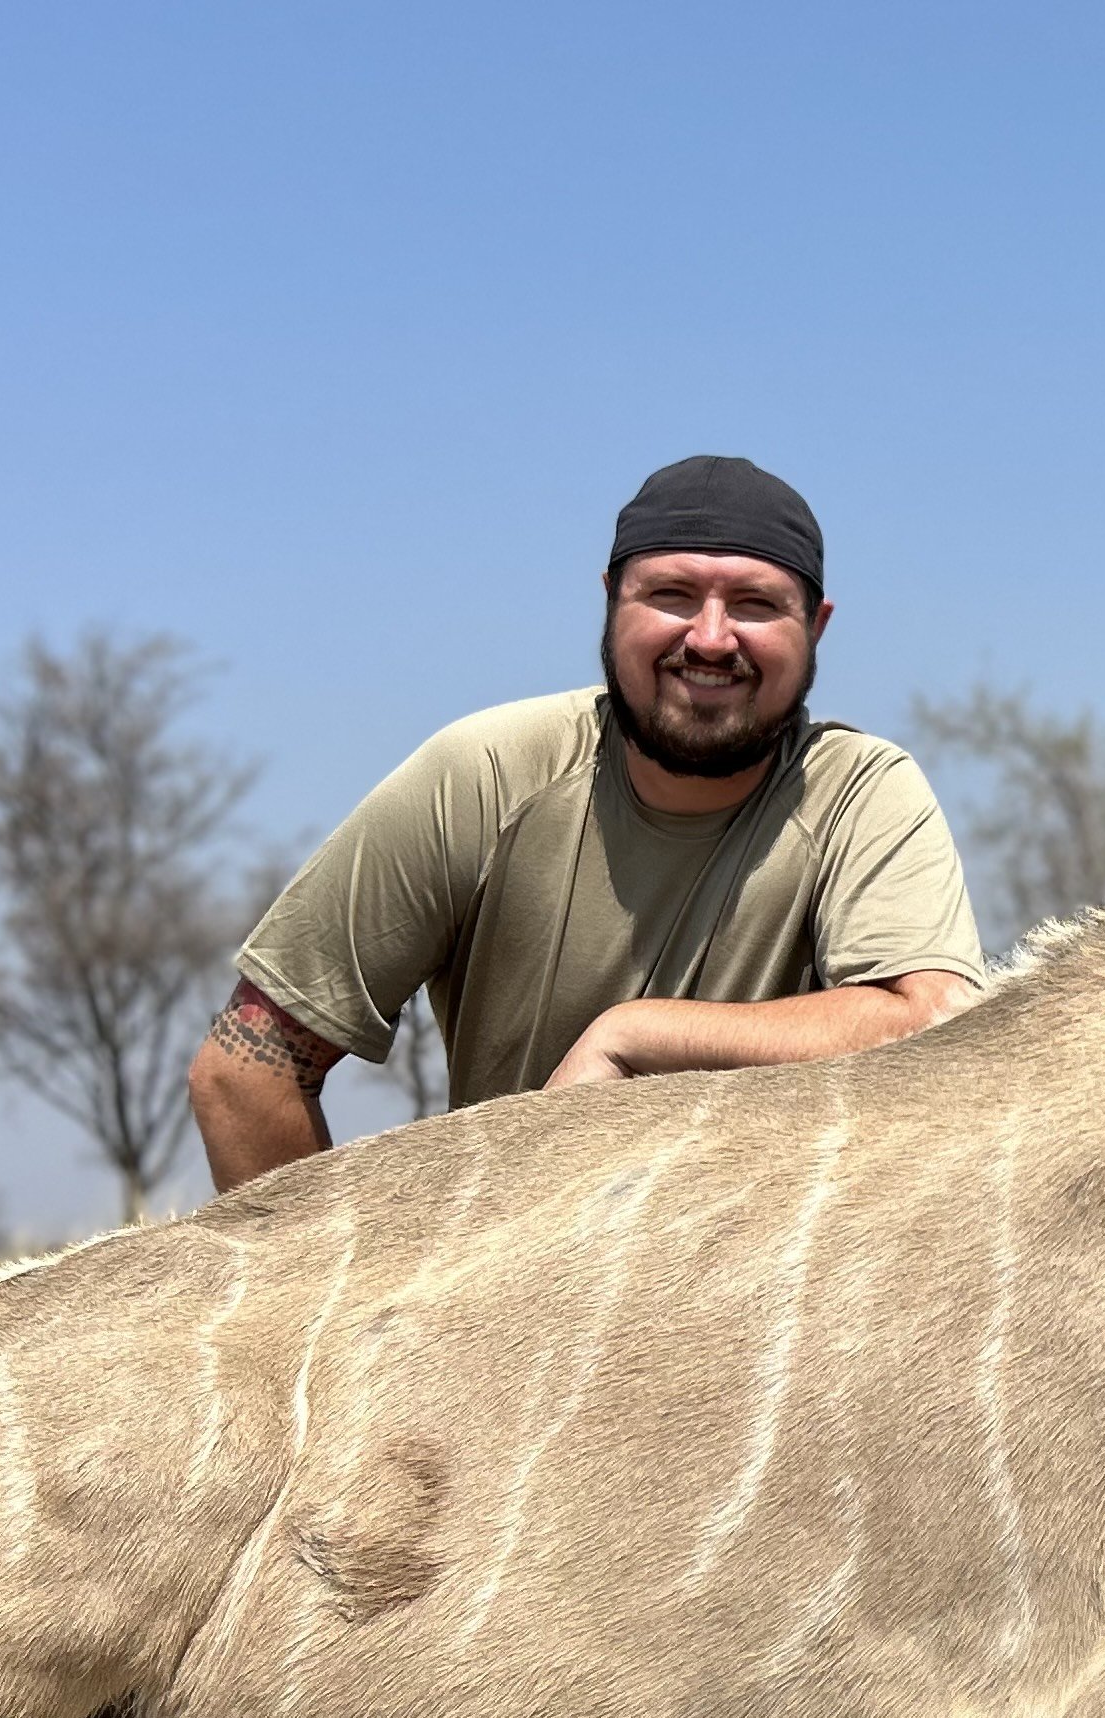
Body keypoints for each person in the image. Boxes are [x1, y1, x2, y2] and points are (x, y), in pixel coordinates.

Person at [188, 454, 984, 1191]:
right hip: (511, 1274)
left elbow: (939, 1023)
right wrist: (343, 1324)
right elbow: (244, 1071)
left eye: (755, 605)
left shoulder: (861, 791)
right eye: (672, 595)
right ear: (610, 601)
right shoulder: (483, 774)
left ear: (814, 628)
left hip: (760, 1294)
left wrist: (633, 1036)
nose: (710, 639)